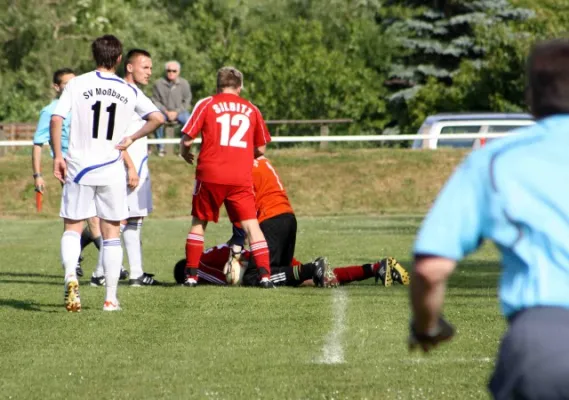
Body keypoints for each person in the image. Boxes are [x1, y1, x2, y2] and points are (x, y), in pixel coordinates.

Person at [409, 38, 569, 399]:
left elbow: (430, 269)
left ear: (531, 95)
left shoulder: (496, 160)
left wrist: (425, 328)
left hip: (546, 345)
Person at [50, 34, 164, 312]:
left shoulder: (77, 84)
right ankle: (111, 298)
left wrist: (58, 157)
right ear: (118, 59)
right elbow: (157, 118)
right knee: (112, 232)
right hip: (112, 168)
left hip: (79, 166)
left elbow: (56, 118)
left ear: (94, 57)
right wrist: (132, 138)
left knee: (73, 227)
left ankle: (69, 277)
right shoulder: (127, 90)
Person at [179, 66, 273, 289]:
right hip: (240, 177)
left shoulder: (207, 103)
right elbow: (261, 147)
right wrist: (241, 156)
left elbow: (187, 138)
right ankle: (265, 276)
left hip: (210, 174)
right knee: (252, 226)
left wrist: (184, 152)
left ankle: (191, 276)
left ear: (218, 85)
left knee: (199, 223)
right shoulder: (251, 109)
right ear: (240, 86)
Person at [90, 48, 161, 288]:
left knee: (133, 218)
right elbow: (118, 136)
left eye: (151, 67)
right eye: (145, 67)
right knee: (119, 220)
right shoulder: (124, 94)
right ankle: (100, 273)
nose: (149, 72)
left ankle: (135, 274)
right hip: (127, 166)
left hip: (136, 164)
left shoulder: (132, 93)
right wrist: (130, 166)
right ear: (129, 67)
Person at [31, 67, 104, 278]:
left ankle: (73, 256)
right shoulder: (51, 111)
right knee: (87, 218)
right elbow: (38, 144)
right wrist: (38, 175)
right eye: (66, 83)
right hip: (69, 169)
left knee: (93, 219)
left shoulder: (84, 106)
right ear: (56, 87)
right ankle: (113, 265)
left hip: (91, 165)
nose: (72, 86)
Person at [173, 243, 409, 288]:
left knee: (250, 281)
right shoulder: (208, 254)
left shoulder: (199, 266)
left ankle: (310, 268)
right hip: (266, 251)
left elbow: (227, 280)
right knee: (321, 279)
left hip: (262, 261)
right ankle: (377, 268)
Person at [151, 60, 192, 156]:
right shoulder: (158, 84)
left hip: (180, 112)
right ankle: (161, 148)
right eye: (169, 70)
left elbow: (187, 101)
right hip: (163, 112)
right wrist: (165, 111)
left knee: (189, 121)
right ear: (165, 71)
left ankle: (183, 149)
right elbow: (155, 100)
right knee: (156, 119)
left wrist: (176, 112)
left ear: (178, 72)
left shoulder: (184, 84)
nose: (171, 73)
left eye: (174, 71)